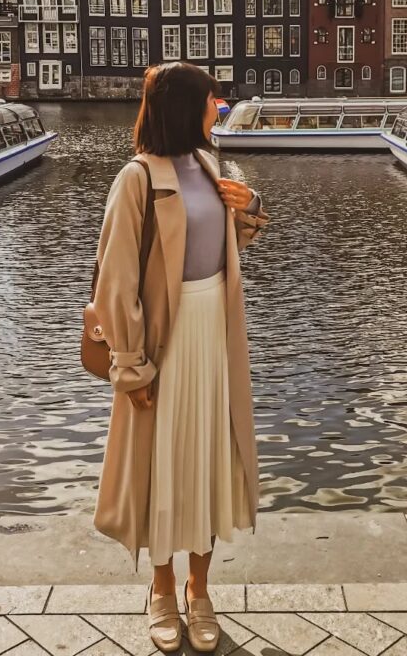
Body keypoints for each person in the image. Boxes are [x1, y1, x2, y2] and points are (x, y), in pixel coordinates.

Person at [92, 62, 268, 653]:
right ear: (183, 108)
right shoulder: (137, 179)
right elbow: (116, 284)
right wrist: (132, 364)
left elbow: (224, 243)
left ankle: (201, 589)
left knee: (210, 464)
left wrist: (249, 211)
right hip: (164, 342)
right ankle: (162, 588)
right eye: (211, 99)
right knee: (162, 467)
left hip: (214, 336)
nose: (218, 107)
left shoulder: (210, 164)